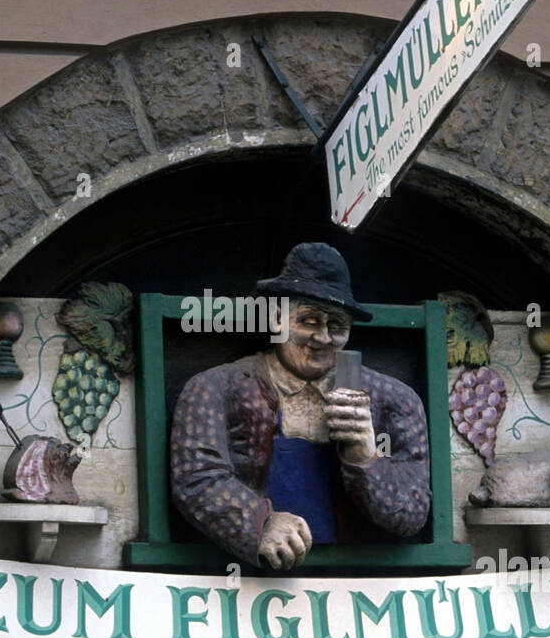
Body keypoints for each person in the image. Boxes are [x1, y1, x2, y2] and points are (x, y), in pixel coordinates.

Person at [169, 243, 431, 569]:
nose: (322, 338)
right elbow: (196, 480)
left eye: (336, 326)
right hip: (241, 586)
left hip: (354, 588)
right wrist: (258, 523)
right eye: (309, 320)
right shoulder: (215, 389)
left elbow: (413, 511)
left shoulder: (395, 401)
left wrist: (366, 458)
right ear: (278, 318)